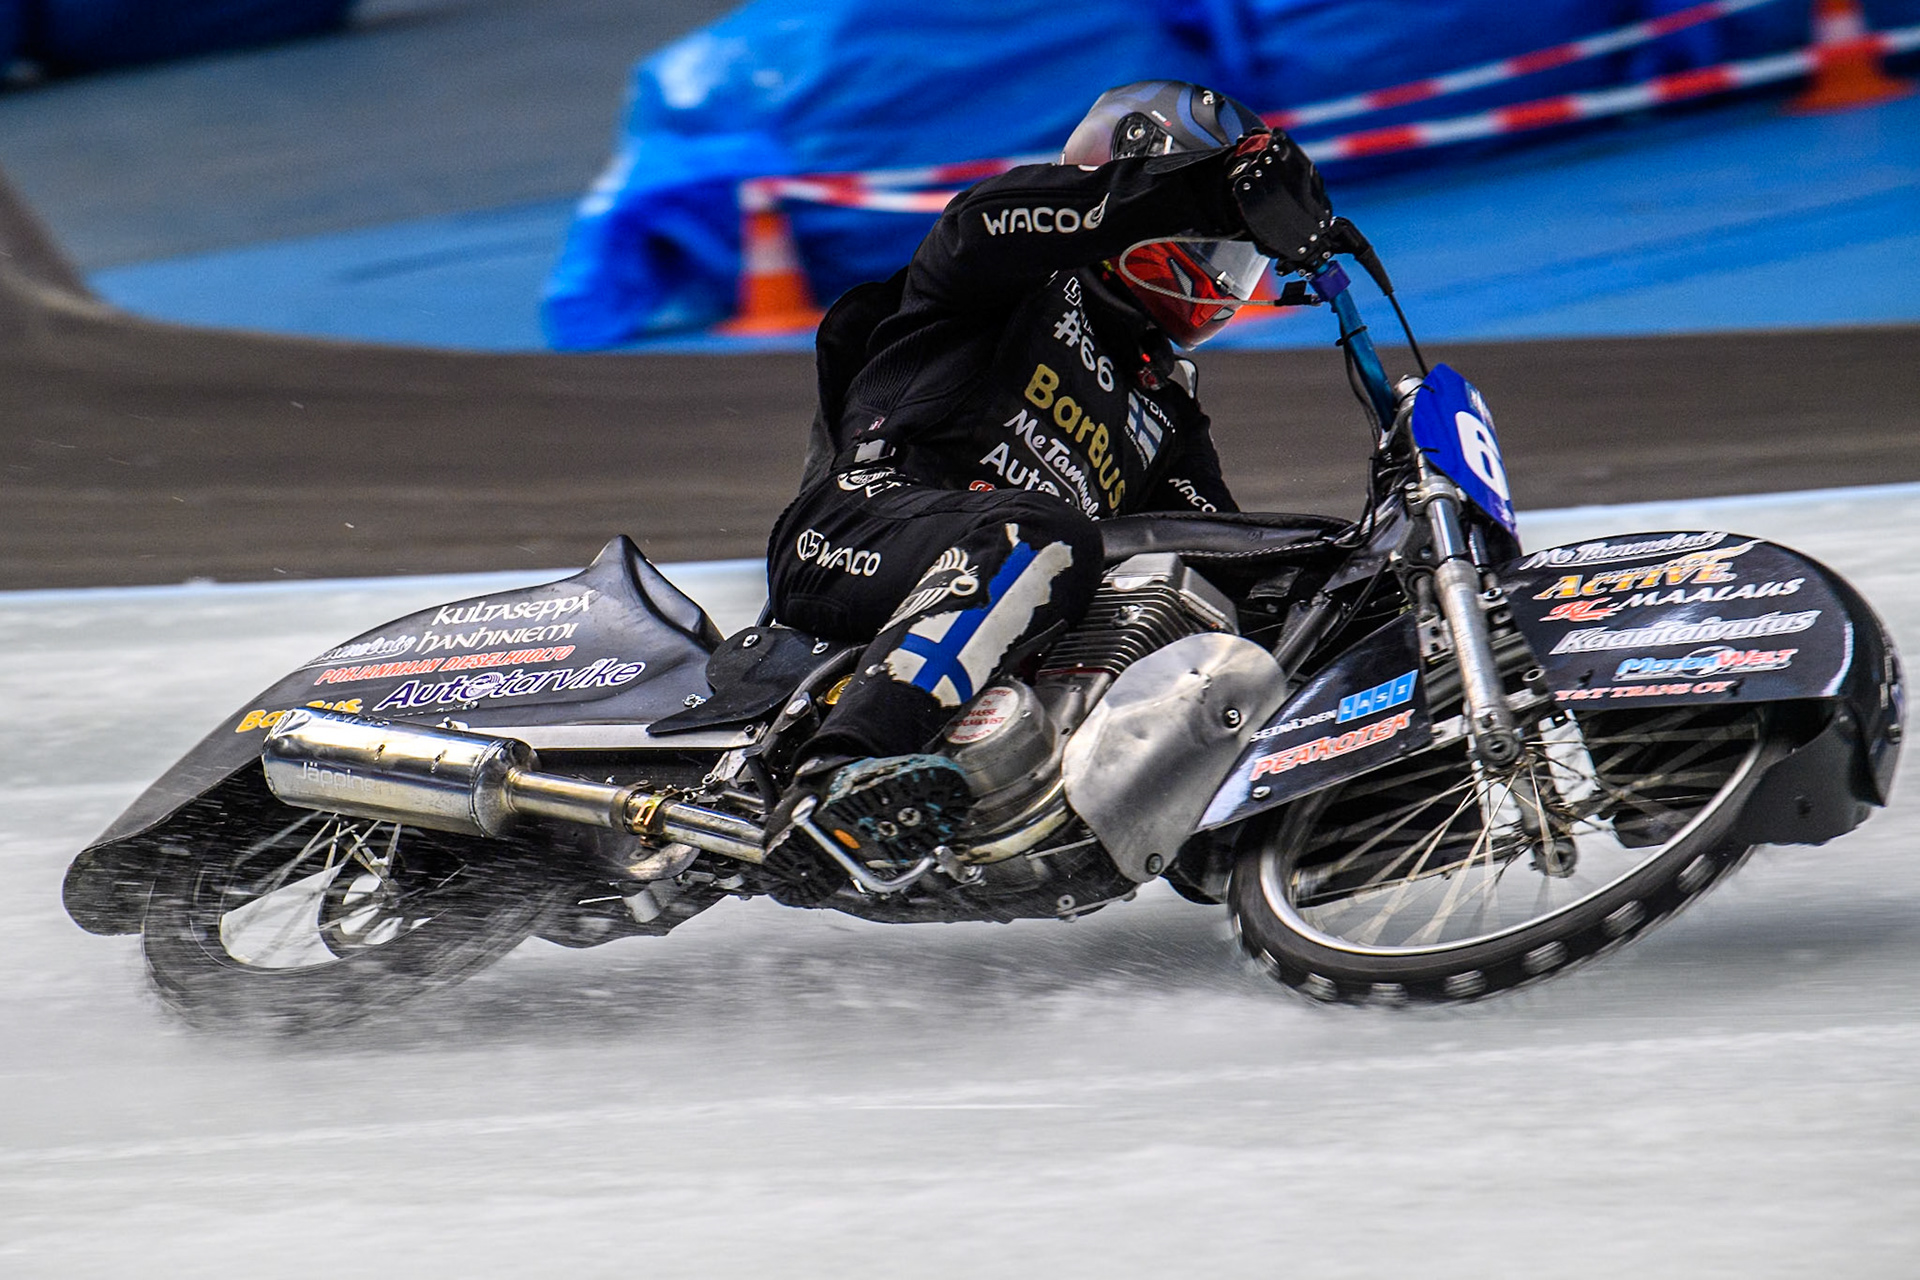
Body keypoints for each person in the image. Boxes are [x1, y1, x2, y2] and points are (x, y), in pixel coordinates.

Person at [758, 79, 1339, 900]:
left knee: (1215, 613)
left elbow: (1221, 548)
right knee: (1046, 530)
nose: (1218, 277)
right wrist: (1217, 188)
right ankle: (837, 779)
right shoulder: (1002, 257)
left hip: (1000, 581)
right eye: (1210, 244)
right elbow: (1037, 220)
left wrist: (1348, 570)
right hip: (860, 527)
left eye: (1236, 260)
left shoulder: (1165, 403)